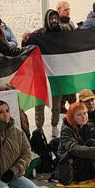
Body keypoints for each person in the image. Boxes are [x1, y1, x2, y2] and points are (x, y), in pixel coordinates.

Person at [26, 8, 66, 138]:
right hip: (41, 75)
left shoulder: (62, 33)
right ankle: (39, 128)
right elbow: (27, 46)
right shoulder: (38, 35)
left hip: (56, 75)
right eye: (51, 18)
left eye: (56, 18)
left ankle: (54, 126)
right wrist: (25, 39)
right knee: (40, 103)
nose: (54, 21)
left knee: (56, 103)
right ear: (47, 19)